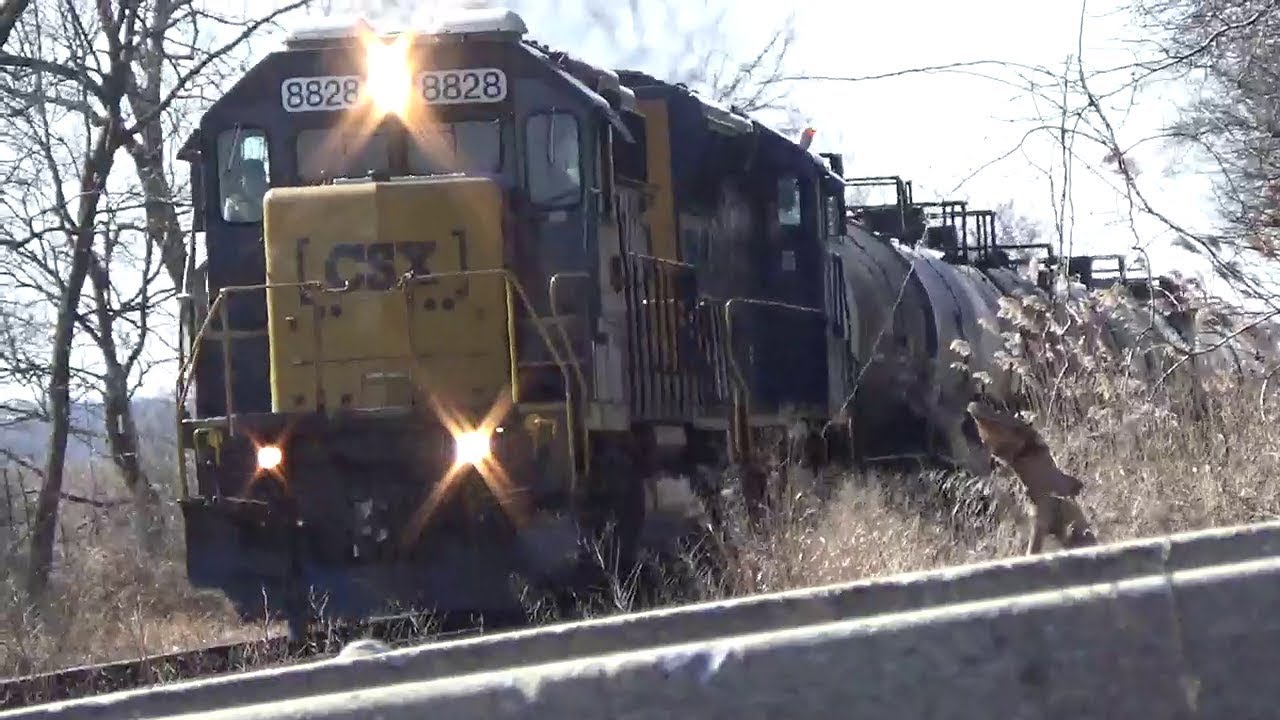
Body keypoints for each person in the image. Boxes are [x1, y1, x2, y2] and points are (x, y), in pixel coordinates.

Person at [223, 158, 268, 222]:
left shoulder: (272, 200)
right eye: (248, 178)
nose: (253, 183)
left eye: (255, 177)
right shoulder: (233, 204)